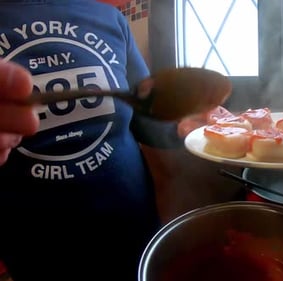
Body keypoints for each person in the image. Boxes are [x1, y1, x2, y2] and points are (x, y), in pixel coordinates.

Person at [0, 1, 181, 280]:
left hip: (133, 228)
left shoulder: (109, 18)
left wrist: (187, 126)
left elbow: (149, 121)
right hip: (37, 247)